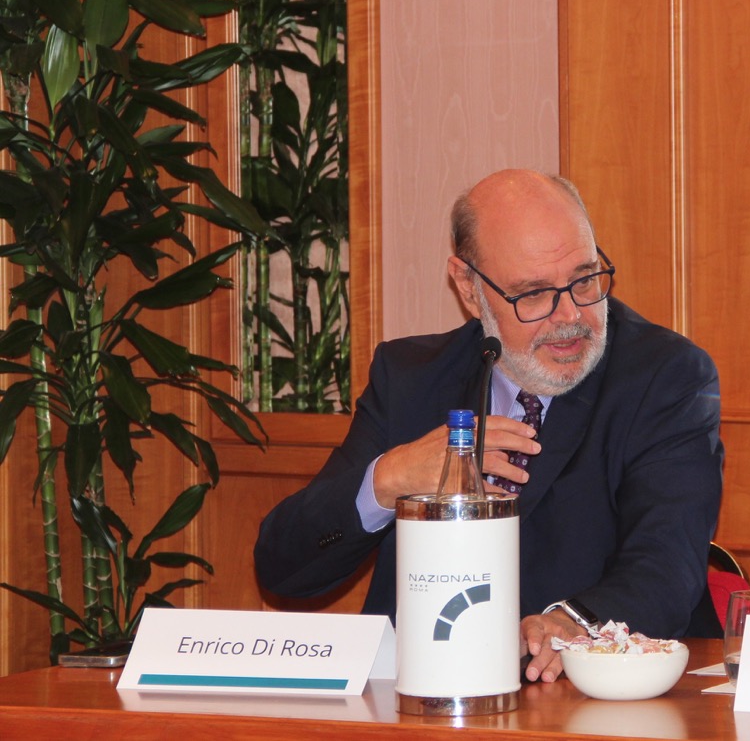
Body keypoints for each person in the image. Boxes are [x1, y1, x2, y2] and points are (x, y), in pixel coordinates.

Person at [254, 169, 725, 683]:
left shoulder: (664, 376)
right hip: (421, 698)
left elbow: (667, 565)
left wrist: (573, 623)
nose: (570, 315)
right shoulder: (410, 380)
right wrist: (390, 479)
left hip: (589, 701)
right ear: (468, 287)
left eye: (585, 279)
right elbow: (284, 569)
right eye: (534, 293)